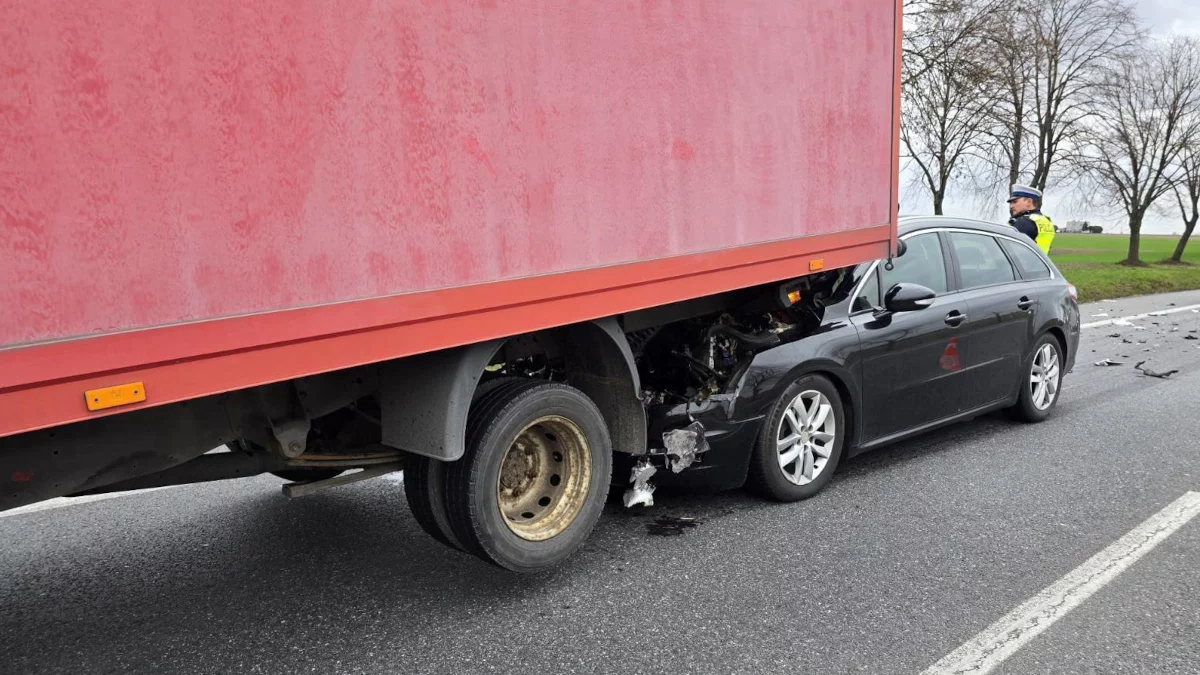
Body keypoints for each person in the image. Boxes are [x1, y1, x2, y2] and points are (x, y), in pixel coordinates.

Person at [1007, 184, 1055, 254]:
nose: (1011, 206)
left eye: (1015, 202)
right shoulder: (1045, 220)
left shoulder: (1024, 222)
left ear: (1029, 202)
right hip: (1040, 263)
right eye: (1011, 203)